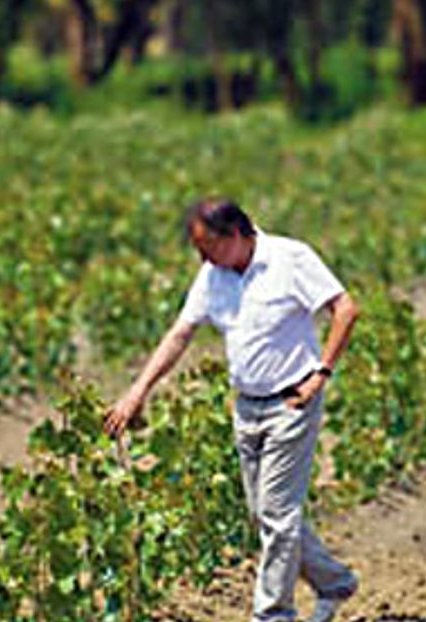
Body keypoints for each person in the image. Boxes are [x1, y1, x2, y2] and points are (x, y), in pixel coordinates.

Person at [103, 199, 361, 622]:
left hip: (291, 402)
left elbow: (346, 309)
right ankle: (334, 583)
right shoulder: (213, 276)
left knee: (277, 515)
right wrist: (138, 390)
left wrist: (321, 374)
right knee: (265, 514)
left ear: (236, 234)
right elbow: (179, 335)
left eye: (207, 247)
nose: (202, 258)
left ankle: (273, 615)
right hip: (246, 406)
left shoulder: (290, 258)